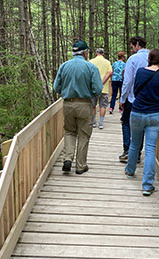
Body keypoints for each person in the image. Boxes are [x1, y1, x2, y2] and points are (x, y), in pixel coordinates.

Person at [125, 49, 159, 196]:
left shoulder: (140, 72)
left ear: (149, 59)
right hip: (154, 115)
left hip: (137, 112)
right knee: (150, 149)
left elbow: (135, 89)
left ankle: (130, 171)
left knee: (134, 143)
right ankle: (147, 186)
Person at [53, 40, 103, 175]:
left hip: (68, 104)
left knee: (69, 131)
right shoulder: (91, 68)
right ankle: (80, 166)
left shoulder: (64, 66)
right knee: (84, 134)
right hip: (84, 104)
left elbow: (56, 87)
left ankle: (67, 159)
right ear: (85, 52)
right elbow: (98, 89)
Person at [118, 36, 149, 163]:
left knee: (126, 122)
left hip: (133, 98)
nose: (131, 49)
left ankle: (128, 150)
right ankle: (136, 153)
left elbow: (128, 80)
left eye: (131, 46)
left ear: (137, 44)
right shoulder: (152, 57)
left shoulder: (133, 59)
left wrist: (122, 98)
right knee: (140, 127)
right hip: (148, 99)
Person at [89, 48, 113, 129]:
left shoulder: (91, 62)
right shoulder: (107, 62)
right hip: (104, 88)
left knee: (93, 105)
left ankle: (94, 122)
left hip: (93, 88)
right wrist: (102, 82)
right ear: (103, 54)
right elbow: (109, 72)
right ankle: (101, 123)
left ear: (96, 53)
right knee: (103, 105)